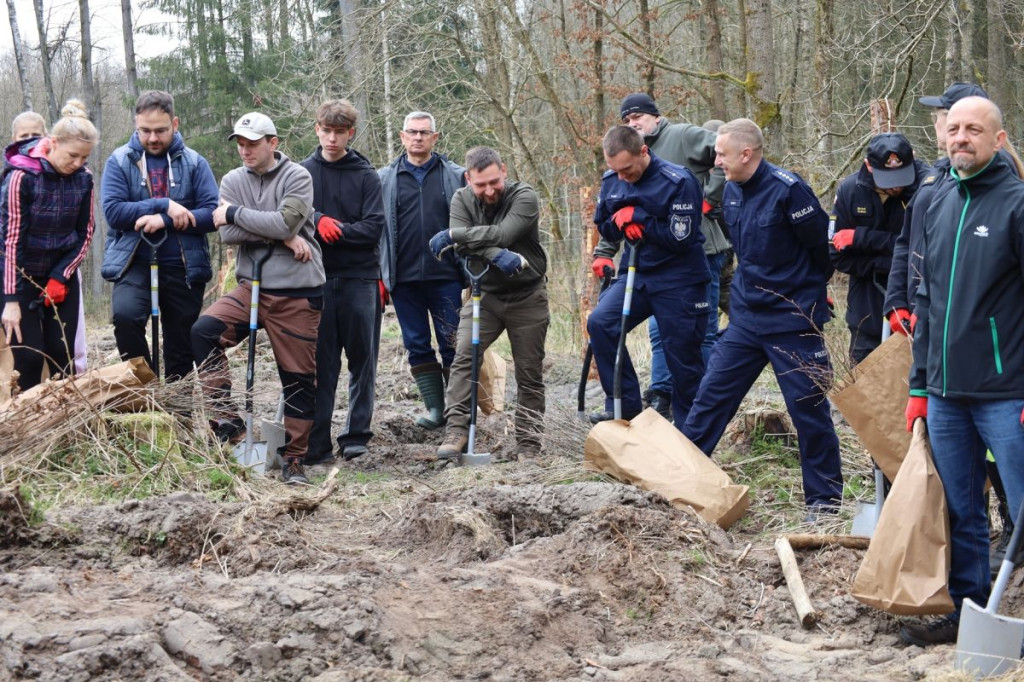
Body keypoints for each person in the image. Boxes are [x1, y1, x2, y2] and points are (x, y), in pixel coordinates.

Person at [900, 96, 1024, 647]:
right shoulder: (938, 200)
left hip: (1006, 391)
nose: (961, 138)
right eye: (954, 129)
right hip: (947, 395)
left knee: (1022, 510)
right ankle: (968, 611)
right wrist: (920, 386)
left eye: (974, 130)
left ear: (999, 140)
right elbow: (926, 300)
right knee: (960, 509)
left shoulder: (1017, 205)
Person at [681, 118, 843, 520]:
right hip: (746, 319)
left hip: (792, 319)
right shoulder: (731, 191)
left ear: (746, 153)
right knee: (710, 399)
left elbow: (821, 254)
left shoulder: (790, 191)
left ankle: (824, 503)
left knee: (809, 409)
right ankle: (678, 484)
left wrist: (805, 295)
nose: (715, 160)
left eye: (721, 153)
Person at [191, 112, 325, 486]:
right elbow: (227, 236)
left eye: (252, 143)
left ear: (273, 143)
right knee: (203, 332)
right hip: (252, 286)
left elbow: (278, 221)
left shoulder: (298, 176)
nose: (244, 150)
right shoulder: (233, 178)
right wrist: (281, 236)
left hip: (297, 291)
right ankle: (229, 422)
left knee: (297, 377)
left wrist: (236, 213)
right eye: (240, 143)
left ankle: (295, 459)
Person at [590, 93, 727, 421]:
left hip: (680, 277)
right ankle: (625, 407)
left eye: (628, 170)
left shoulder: (678, 181)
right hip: (637, 274)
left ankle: (690, 429)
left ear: (644, 152)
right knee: (601, 324)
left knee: (683, 357)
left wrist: (640, 220)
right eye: (616, 171)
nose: (623, 177)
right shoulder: (613, 180)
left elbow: (679, 238)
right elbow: (606, 226)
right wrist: (617, 222)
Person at [430, 146, 549, 461]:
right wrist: (498, 255)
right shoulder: (462, 199)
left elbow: (503, 233)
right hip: (485, 294)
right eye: (481, 185)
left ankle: (529, 443)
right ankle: (456, 430)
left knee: (529, 371)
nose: (489, 190)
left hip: (528, 295)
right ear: (468, 179)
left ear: (504, 171)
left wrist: (456, 234)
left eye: (494, 181)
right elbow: (466, 251)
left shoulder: (524, 197)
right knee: (464, 357)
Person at [100, 91, 219, 381]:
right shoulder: (119, 161)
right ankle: (145, 392)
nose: (152, 138)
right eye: (145, 130)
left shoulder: (194, 163)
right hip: (133, 262)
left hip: (184, 266)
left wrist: (162, 220)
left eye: (160, 130)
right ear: (135, 124)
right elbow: (114, 212)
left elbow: (211, 214)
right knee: (126, 318)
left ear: (175, 124)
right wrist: (163, 203)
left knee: (180, 346)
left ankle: (179, 416)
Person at [301, 99, 386, 465]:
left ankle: (355, 436)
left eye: (340, 132)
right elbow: (293, 216)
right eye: (327, 130)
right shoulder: (301, 173)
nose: (332, 139)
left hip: (359, 278)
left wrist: (340, 231)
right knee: (320, 364)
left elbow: (374, 228)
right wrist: (317, 219)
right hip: (315, 280)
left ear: (350, 133)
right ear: (317, 129)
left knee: (362, 359)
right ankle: (316, 442)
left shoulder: (367, 176)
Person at [0, 100, 97, 390]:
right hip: (21, 275)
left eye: (84, 157)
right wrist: (11, 301)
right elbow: (10, 241)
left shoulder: (85, 179)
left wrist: (61, 275)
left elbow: (86, 233)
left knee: (62, 354)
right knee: (28, 359)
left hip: (59, 273)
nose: (78, 163)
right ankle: (32, 425)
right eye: (72, 155)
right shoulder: (21, 178)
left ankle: (67, 424)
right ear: (52, 143)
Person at [378, 111, 465, 430]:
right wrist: (381, 274)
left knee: (453, 343)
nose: (417, 137)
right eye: (412, 132)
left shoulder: (456, 175)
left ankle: (459, 411)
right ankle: (435, 409)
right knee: (416, 344)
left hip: (447, 278)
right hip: (404, 281)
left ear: (435, 138)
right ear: (402, 137)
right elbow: (378, 231)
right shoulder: (384, 178)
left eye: (424, 132)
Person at [829, 132, 927, 363]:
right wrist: (886, 262)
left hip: (913, 302)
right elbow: (839, 256)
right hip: (865, 309)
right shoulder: (850, 191)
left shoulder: (927, 188)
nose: (896, 186)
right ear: (868, 166)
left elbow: (922, 249)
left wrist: (863, 238)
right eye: (888, 179)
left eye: (901, 176)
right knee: (866, 391)